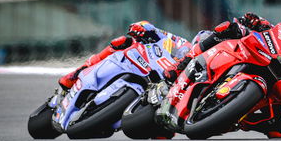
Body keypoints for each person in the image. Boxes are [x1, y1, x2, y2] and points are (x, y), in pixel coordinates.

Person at [58, 21, 191, 90]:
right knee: (122, 41)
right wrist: (141, 28)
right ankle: (77, 73)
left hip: (160, 80)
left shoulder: (195, 64)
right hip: (143, 60)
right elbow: (151, 28)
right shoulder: (181, 43)